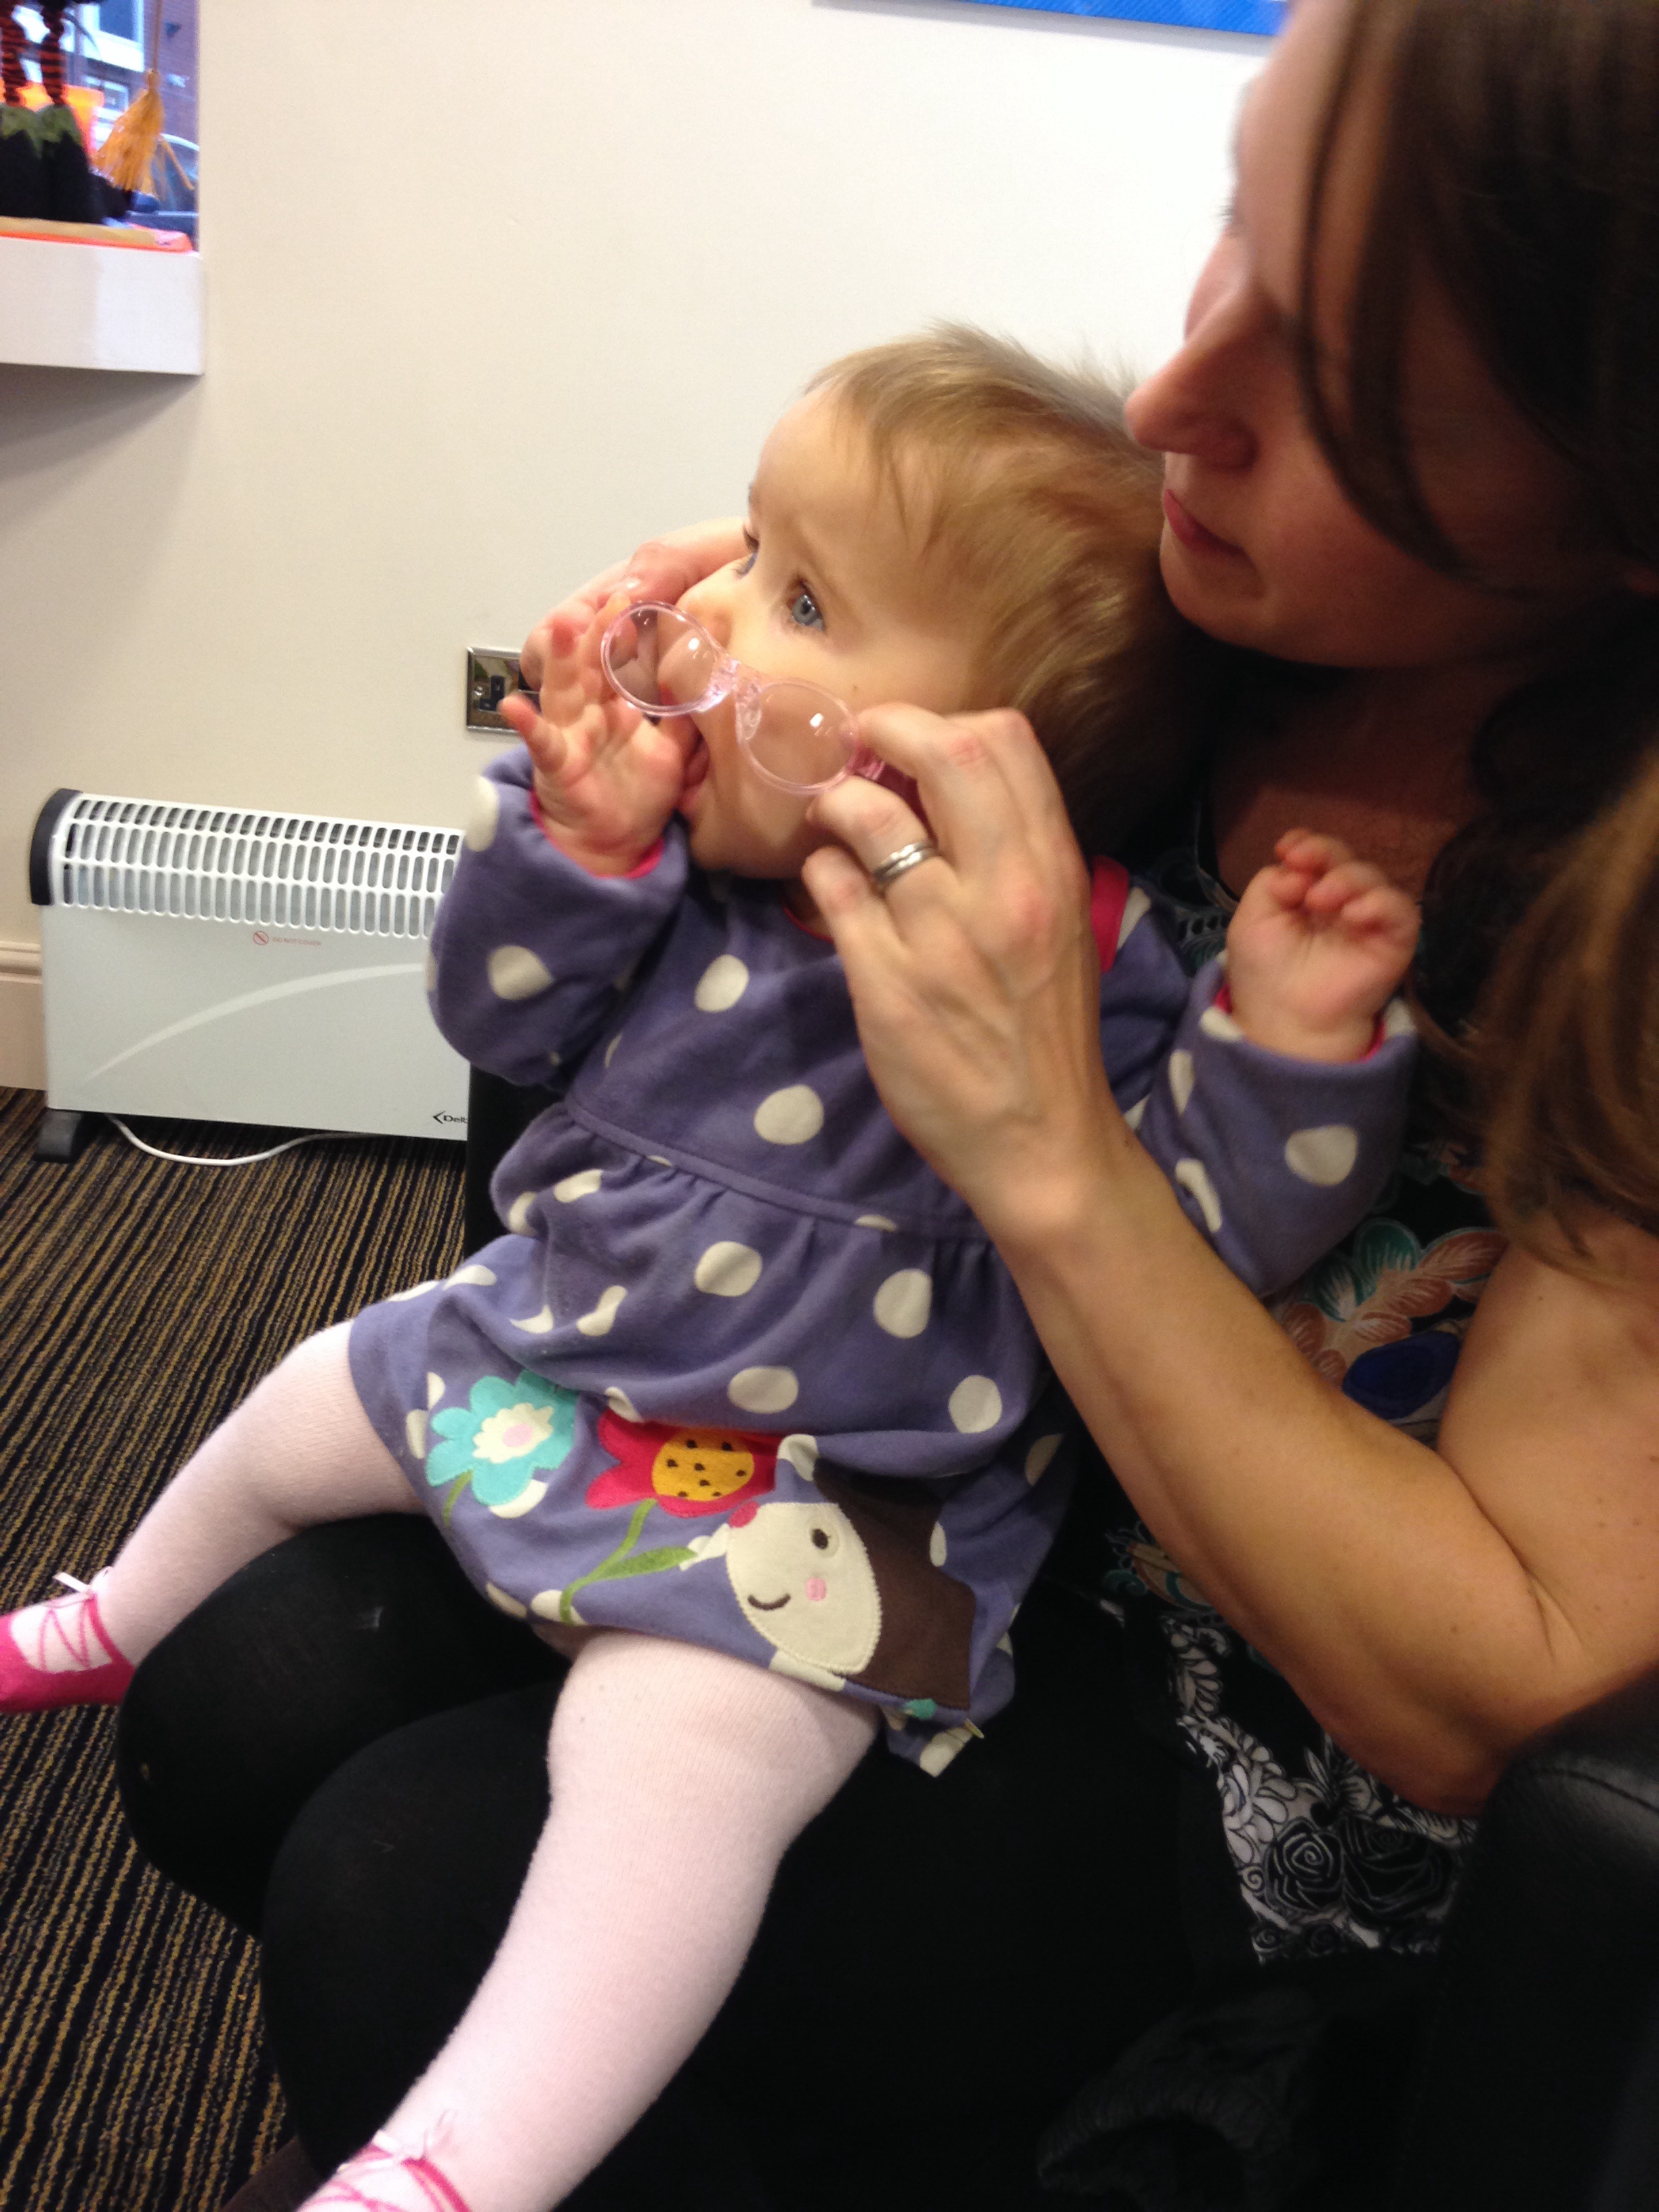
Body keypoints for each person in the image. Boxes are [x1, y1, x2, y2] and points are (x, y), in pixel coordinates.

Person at [101, 0, 1659, 2204]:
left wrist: (1044, 1152)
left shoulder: (1603, 929)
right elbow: (831, 624)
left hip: (1236, 1730)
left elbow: (1481, 1695)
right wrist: (688, 673)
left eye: (1362, 386)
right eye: (1238, 225)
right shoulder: (1186, 594)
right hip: (873, 1418)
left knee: (402, 1896)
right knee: (235, 1700)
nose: (1179, 400)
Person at [1, 329, 1420, 2212]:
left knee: (666, 1798)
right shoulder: (690, 872)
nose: (715, 614)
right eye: (754, 547)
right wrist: (575, 846)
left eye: (799, 600)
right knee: (315, 1391)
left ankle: (463, 2163)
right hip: (553, 1358)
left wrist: (1289, 1050)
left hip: (834, 1502)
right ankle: (108, 1616)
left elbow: (1215, 1231)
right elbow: (494, 1014)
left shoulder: (1071, 963)